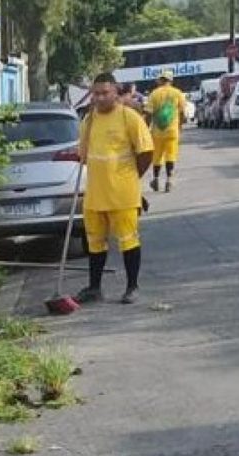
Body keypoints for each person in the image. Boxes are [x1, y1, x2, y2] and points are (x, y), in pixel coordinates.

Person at [77, 72, 154, 306]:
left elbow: (146, 152)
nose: (100, 98)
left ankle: (132, 287)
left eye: (105, 93)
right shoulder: (88, 122)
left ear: (115, 92)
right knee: (95, 242)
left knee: (128, 240)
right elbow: (84, 156)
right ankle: (94, 287)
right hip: (95, 193)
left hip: (122, 193)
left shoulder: (128, 117)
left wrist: (131, 179)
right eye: (96, 94)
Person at [145, 70, 187, 193]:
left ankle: (156, 179)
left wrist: (146, 128)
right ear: (170, 80)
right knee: (171, 155)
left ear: (161, 80)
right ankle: (169, 180)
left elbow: (148, 113)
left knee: (157, 156)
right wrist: (180, 125)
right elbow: (183, 113)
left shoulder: (154, 94)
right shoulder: (177, 93)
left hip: (157, 131)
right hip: (172, 130)